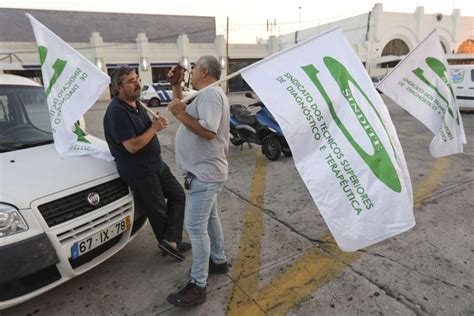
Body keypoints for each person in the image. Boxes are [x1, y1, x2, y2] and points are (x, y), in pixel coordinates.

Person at [103, 67, 189, 261]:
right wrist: (154, 128)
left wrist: (153, 122)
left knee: (177, 195)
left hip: (155, 164)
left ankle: (171, 240)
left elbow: (144, 130)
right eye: (131, 81)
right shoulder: (116, 111)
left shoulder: (137, 105)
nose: (137, 83)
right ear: (118, 87)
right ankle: (170, 244)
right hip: (139, 171)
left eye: (137, 79)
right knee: (158, 210)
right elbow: (132, 146)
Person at [166, 56, 230, 307]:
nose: (191, 71)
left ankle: (198, 285)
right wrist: (175, 85)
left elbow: (208, 131)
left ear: (204, 71)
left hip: (204, 174)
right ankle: (218, 260)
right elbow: (180, 103)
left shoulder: (211, 95)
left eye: (193, 68)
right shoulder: (202, 93)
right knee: (210, 219)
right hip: (202, 173)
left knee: (195, 228)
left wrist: (180, 115)